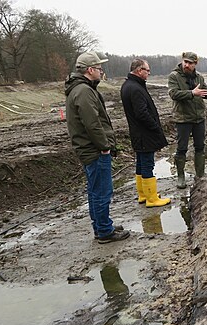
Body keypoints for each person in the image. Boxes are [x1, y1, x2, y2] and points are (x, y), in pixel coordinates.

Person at [65, 52, 130, 244]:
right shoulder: (83, 91)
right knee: (102, 191)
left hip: (88, 148)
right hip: (94, 150)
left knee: (96, 190)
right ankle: (104, 231)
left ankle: (102, 225)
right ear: (90, 70)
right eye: (99, 68)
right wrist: (104, 147)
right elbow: (92, 123)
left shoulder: (80, 89)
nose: (102, 72)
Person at [167, 51, 207, 189]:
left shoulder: (199, 77)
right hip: (183, 118)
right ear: (182, 61)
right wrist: (191, 93)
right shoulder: (174, 76)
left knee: (200, 146)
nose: (187, 65)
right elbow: (173, 94)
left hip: (199, 118)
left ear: (195, 64)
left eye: (190, 63)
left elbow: (205, 93)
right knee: (181, 148)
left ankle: (200, 175)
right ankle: (181, 177)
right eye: (185, 62)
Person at [120, 59, 171, 207]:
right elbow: (141, 113)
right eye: (147, 70)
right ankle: (152, 199)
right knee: (147, 164)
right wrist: (155, 126)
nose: (149, 73)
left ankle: (143, 194)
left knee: (141, 163)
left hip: (138, 133)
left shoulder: (128, 85)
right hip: (144, 134)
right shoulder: (135, 88)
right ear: (138, 70)